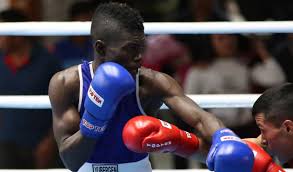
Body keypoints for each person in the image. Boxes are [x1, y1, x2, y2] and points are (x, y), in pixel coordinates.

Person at [48, 2, 254, 172]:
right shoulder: (67, 84)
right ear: (101, 48)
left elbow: (200, 118)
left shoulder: (152, 82)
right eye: (131, 49)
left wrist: (224, 137)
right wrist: (94, 122)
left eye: (141, 47)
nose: (139, 57)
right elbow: (71, 161)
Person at [0, 9, 62, 168]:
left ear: (17, 35)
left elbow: (62, 104)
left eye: (2, 33)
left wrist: (51, 141)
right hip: (5, 143)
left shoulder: (48, 62)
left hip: (40, 144)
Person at [245, 83, 293, 168]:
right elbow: (252, 143)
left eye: (263, 130)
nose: (263, 140)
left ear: (288, 127)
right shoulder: (270, 139)